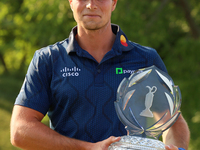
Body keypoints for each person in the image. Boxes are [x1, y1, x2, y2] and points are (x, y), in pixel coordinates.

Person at [10, 0, 190, 150]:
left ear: (113, 3)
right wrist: (88, 148)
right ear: (71, 2)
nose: (91, 5)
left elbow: (172, 121)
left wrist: (176, 148)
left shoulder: (145, 59)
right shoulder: (47, 59)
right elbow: (20, 130)